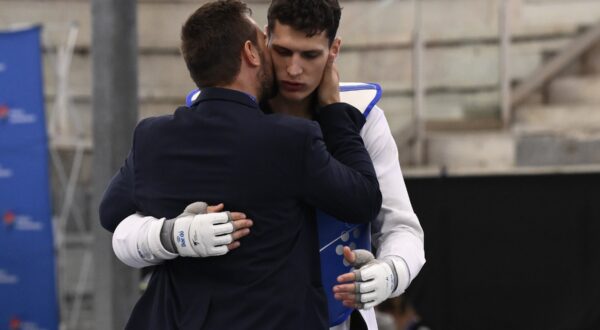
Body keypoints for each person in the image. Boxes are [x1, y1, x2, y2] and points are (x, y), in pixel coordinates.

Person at [106, 0, 425, 329]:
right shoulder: (213, 115)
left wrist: (391, 273)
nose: (294, 69)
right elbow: (120, 224)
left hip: (340, 316)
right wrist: (173, 234)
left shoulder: (364, 117)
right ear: (263, 41)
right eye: (283, 52)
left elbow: (401, 226)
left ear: (334, 50)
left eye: (310, 54)